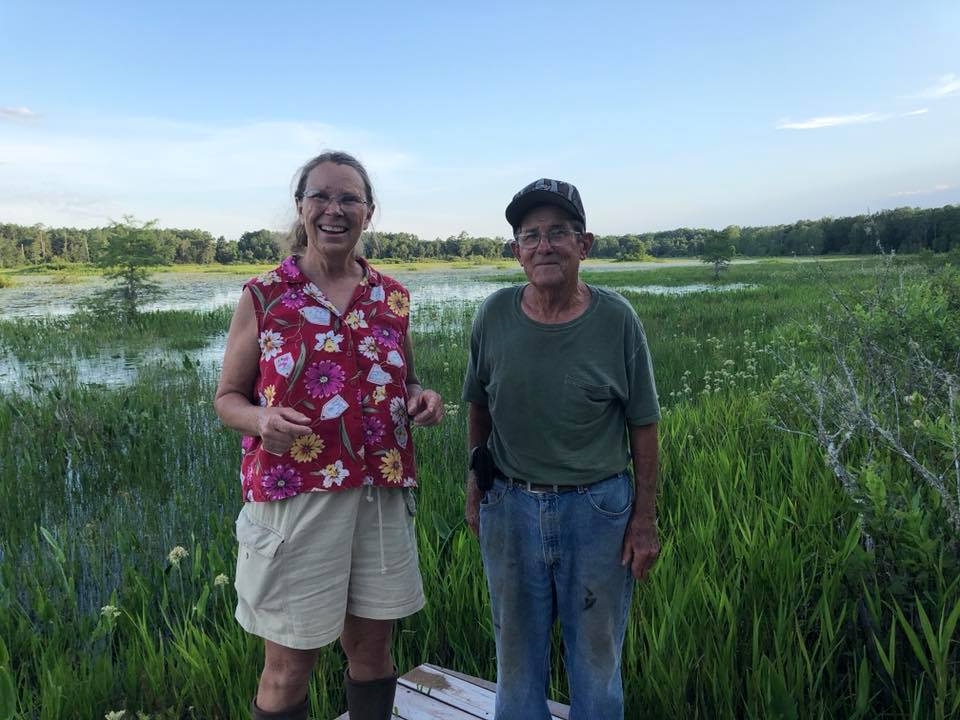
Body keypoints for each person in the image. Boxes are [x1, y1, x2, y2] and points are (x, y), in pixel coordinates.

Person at [214, 150, 443, 720]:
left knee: (372, 650)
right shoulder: (265, 295)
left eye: (349, 198)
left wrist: (422, 397)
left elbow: (407, 378)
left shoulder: (392, 297)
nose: (334, 209)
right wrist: (261, 420)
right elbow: (227, 400)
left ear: (369, 212)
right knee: (289, 665)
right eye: (320, 196)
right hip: (296, 501)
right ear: (300, 207)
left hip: (380, 494)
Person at [462, 178, 660, 720]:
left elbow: (644, 424)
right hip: (510, 506)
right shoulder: (493, 315)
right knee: (516, 657)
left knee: (596, 660)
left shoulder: (617, 319)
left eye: (558, 233)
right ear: (515, 251)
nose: (543, 245)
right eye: (530, 236)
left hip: (597, 511)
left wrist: (644, 519)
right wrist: (475, 485)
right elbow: (477, 408)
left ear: (584, 244)